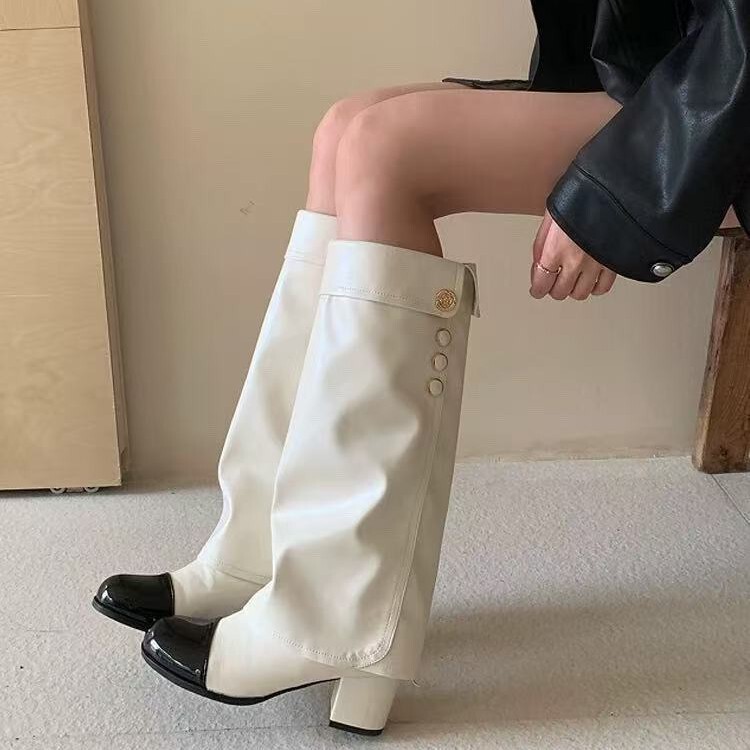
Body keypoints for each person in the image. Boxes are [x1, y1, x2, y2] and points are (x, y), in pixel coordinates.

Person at [92, 0, 749, 736]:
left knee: (388, 149)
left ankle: (331, 613)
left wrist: (621, 192)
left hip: (723, 98)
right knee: (347, 128)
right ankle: (263, 551)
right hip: (672, 74)